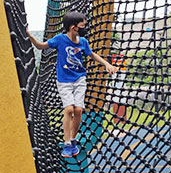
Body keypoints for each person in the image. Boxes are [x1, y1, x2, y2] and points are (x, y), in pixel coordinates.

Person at [27, 11, 117, 158]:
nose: (84, 28)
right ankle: (67, 142)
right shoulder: (60, 39)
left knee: (79, 110)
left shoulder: (83, 42)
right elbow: (41, 46)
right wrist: (30, 37)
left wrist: (106, 64)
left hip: (79, 79)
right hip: (64, 80)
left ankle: (73, 139)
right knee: (69, 109)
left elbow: (91, 54)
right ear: (73, 27)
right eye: (82, 26)